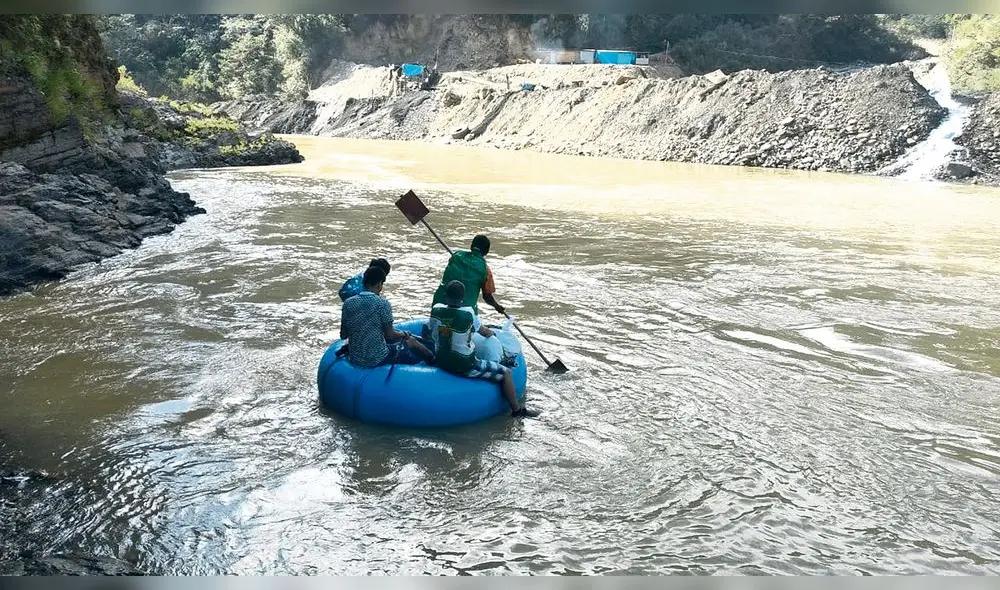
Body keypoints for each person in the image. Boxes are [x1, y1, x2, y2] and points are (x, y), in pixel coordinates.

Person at [429, 280, 539, 418]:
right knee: (506, 373)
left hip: (441, 360)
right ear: (463, 299)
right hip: (464, 365)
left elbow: (429, 332)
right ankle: (517, 410)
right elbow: (484, 332)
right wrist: (492, 333)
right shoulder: (468, 313)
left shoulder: (436, 310)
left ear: (445, 295)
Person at [340, 266, 434, 368]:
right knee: (411, 341)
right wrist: (404, 334)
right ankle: (433, 360)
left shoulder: (348, 303)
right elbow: (390, 335)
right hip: (377, 357)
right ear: (379, 283)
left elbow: (343, 335)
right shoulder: (382, 303)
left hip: (355, 358)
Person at [431, 235, 504, 331]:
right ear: (486, 252)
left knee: (438, 328)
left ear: (471, 246)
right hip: (464, 312)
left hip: (439, 307)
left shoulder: (456, 256)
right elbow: (487, 297)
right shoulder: (485, 269)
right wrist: (497, 306)